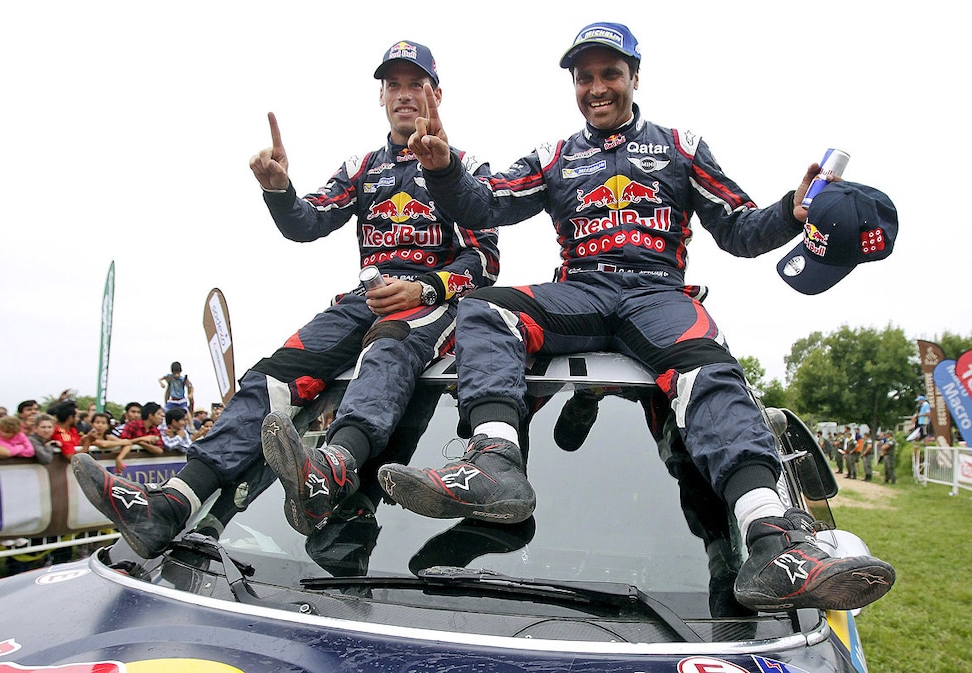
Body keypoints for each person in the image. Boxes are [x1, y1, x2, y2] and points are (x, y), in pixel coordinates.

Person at [378, 22, 894, 612]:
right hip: (583, 291)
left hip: (658, 295)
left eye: (609, 74)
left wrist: (789, 211)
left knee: (711, 371)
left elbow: (738, 228)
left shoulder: (681, 145)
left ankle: (773, 539)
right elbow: (485, 203)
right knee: (483, 309)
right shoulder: (554, 155)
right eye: (585, 77)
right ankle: (495, 462)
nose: (597, 88)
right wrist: (444, 170)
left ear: (634, 77)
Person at [70, 39, 499, 558]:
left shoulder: (466, 165)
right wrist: (279, 190)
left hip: (430, 301)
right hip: (365, 297)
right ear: (380, 96)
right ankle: (172, 505)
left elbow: (485, 261)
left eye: (416, 84)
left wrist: (426, 286)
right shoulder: (362, 166)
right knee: (271, 376)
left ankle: (335, 470)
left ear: (437, 94)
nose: (404, 95)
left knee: (385, 351)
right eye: (393, 85)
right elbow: (309, 221)